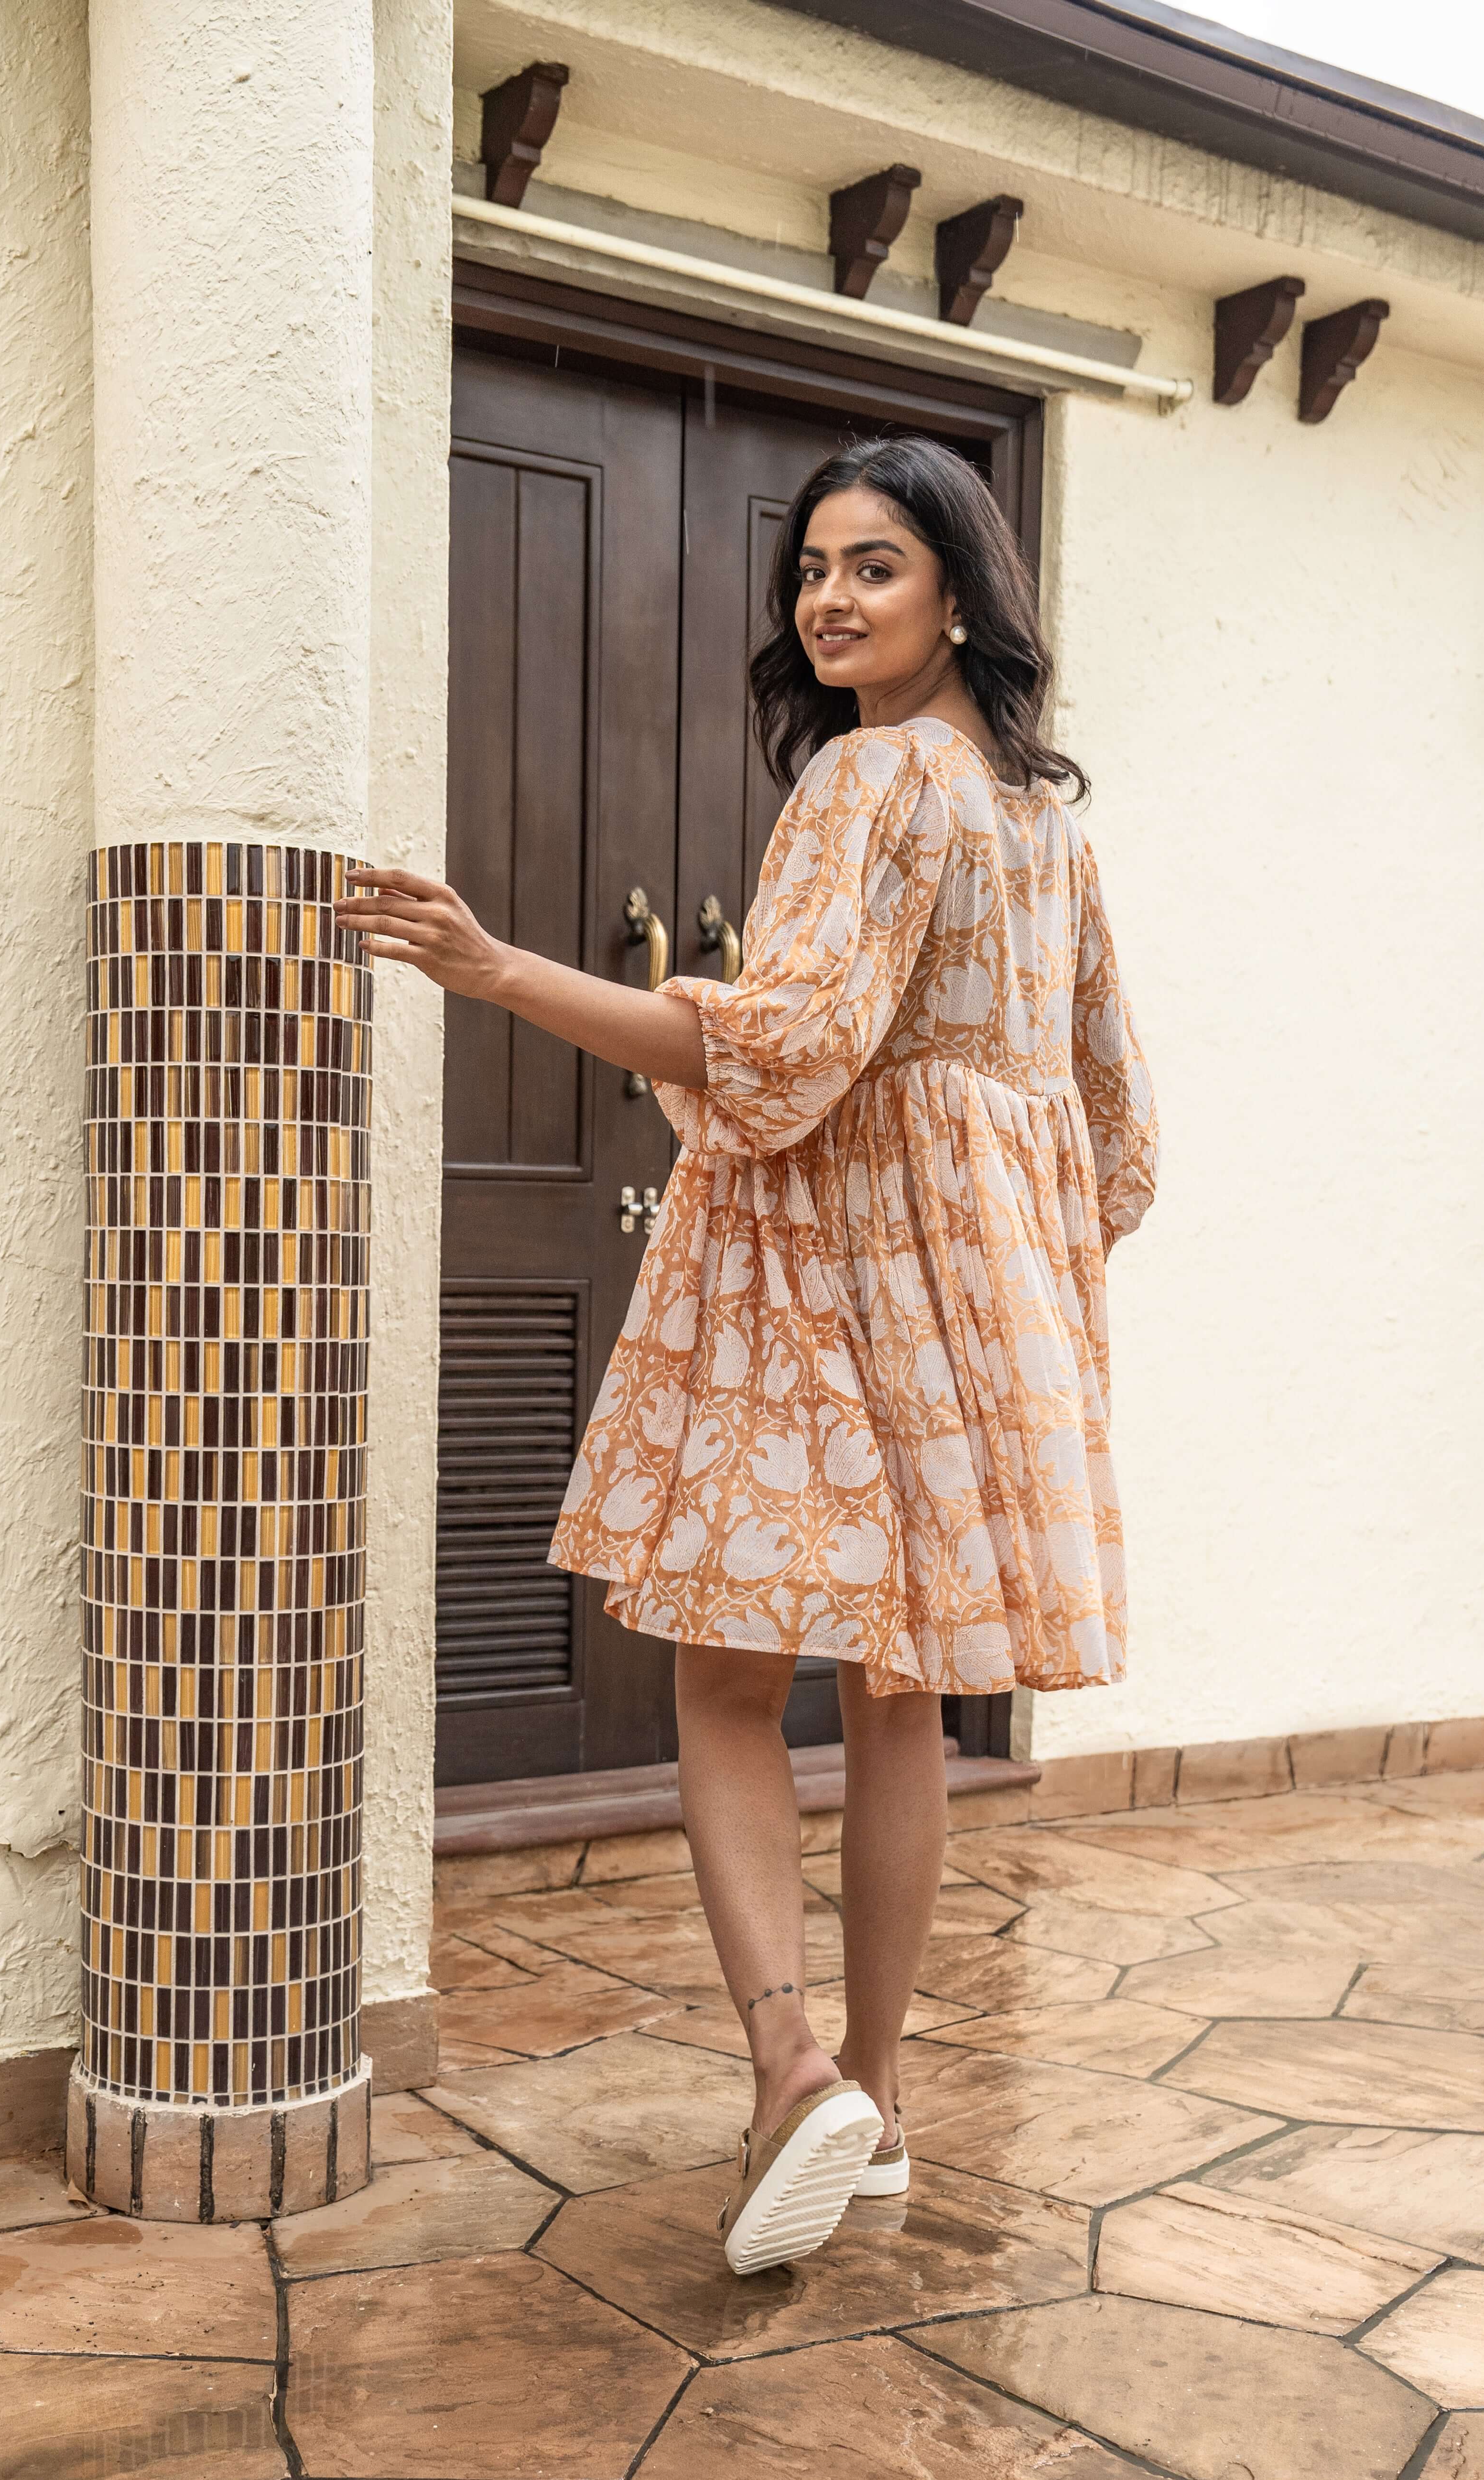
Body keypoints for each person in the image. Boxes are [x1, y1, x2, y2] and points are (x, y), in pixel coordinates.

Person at [337, 433, 1157, 2276]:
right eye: (813, 571)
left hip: (827, 1272)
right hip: (990, 1301)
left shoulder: (874, 787)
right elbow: (1118, 1133)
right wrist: (1013, 1270)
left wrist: (496, 972)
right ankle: (877, 2093)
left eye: (875, 565)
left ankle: (793, 2068)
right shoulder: (1047, 820)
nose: (831, 599)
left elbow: (776, 1050)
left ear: (962, 586)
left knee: (721, 1685)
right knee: (895, 1701)